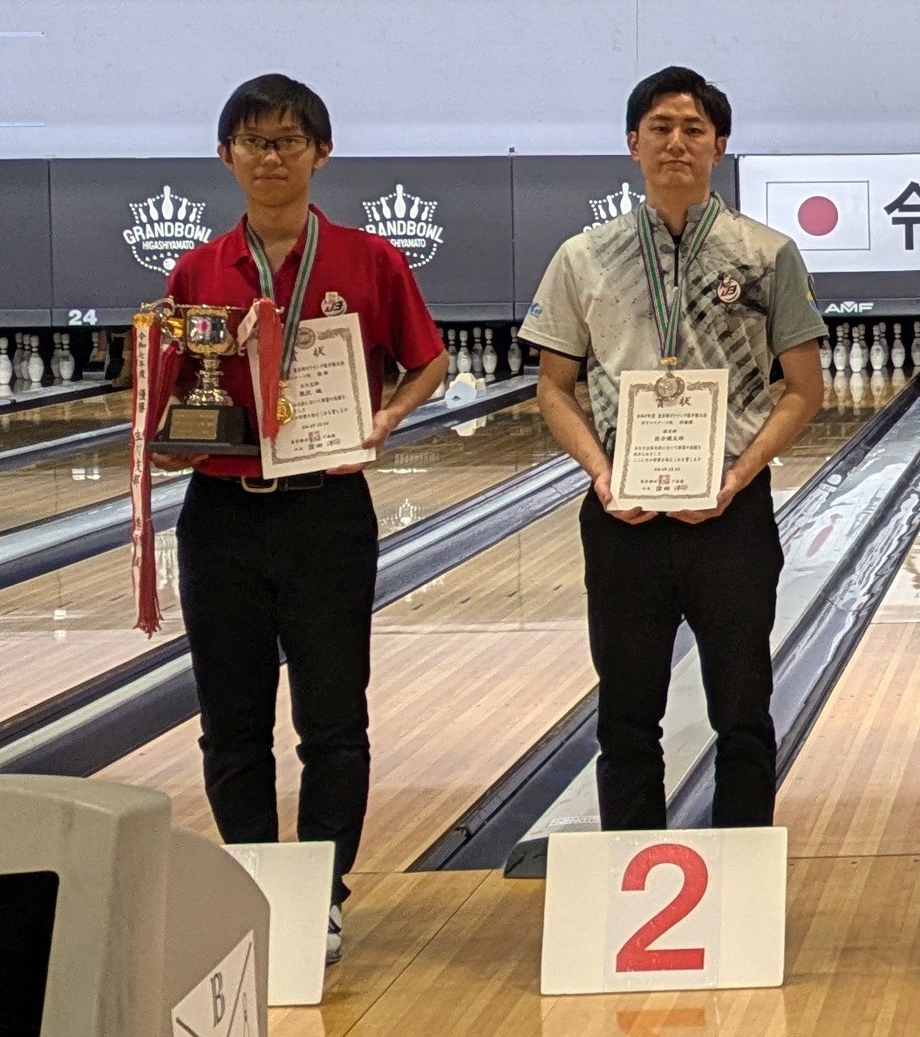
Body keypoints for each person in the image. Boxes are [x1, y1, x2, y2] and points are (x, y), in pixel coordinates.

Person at [157, 73, 450, 964]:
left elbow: (429, 361)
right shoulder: (197, 269)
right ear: (226, 156)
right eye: (254, 141)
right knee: (231, 722)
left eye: (287, 140)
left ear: (321, 152)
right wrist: (164, 441)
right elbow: (174, 396)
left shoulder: (369, 260)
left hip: (327, 512)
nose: (271, 156)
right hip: (221, 516)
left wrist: (388, 417)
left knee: (333, 721)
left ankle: (319, 893)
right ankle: (254, 883)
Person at [522, 66, 828, 831]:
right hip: (622, 519)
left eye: (694, 129)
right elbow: (553, 388)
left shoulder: (766, 254)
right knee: (626, 720)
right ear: (633, 142)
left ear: (720, 145)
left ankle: (742, 869)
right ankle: (633, 870)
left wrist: (738, 477)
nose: (676, 142)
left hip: (731, 518)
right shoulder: (582, 257)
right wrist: (602, 475)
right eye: (660, 128)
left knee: (743, 714)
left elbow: (804, 389)